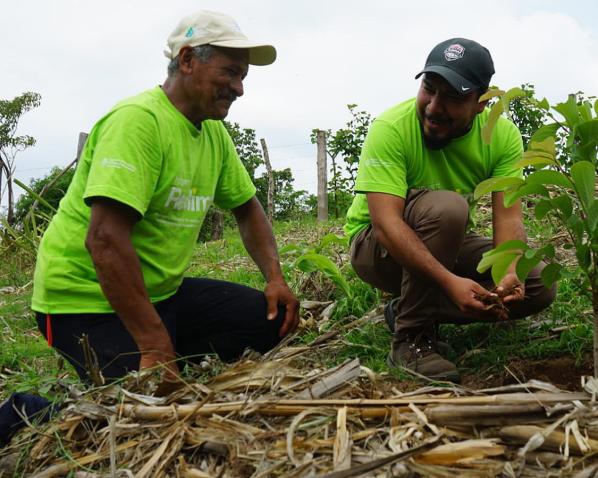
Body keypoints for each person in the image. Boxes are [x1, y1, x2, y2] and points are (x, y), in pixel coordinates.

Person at [31, 10, 299, 388]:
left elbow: (247, 209)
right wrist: (154, 343)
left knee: (269, 322)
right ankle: (25, 414)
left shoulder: (212, 133)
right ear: (188, 60)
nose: (239, 89)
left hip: (160, 295)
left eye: (242, 77)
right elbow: (104, 240)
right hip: (82, 301)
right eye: (230, 72)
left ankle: (165, 348)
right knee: (138, 397)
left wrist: (275, 278)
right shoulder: (138, 122)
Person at [344, 38, 556, 382]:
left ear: (480, 103)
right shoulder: (391, 128)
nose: (433, 107)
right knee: (448, 208)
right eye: (429, 88)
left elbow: (509, 216)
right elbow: (384, 224)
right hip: (375, 247)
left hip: (444, 238)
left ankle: (405, 310)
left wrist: (508, 272)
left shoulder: (501, 137)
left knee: (537, 284)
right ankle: (412, 338)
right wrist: (448, 281)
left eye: (453, 98)